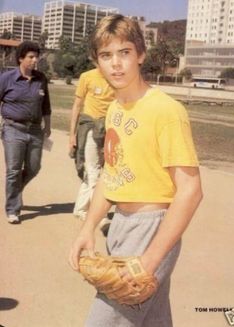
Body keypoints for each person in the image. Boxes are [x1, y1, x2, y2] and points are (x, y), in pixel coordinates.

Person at [69, 14, 203, 327]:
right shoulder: (115, 109)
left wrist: (151, 260)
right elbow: (109, 175)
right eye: (106, 55)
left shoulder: (166, 111)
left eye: (124, 52)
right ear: (96, 62)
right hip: (121, 227)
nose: (116, 64)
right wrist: (87, 228)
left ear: (141, 54)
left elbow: (190, 190)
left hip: (150, 229)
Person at [0, 41, 51, 224]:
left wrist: (49, 125)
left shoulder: (41, 78)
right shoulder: (7, 78)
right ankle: (13, 209)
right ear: (21, 58)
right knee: (13, 170)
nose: (35, 60)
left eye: (36, 56)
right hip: (13, 129)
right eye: (30, 57)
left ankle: (13, 191)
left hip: (35, 130)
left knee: (34, 168)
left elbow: (46, 104)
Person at [69, 67, 114, 220]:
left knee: (99, 172)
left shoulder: (117, 78)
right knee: (94, 172)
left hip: (109, 131)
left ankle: (80, 209)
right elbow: (77, 106)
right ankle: (99, 214)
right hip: (89, 129)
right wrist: (72, 135)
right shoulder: (87, 76)